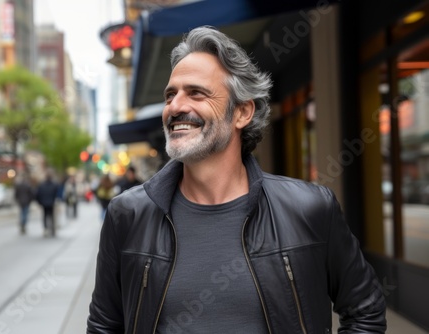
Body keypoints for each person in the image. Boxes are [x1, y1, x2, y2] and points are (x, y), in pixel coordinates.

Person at [87, 26, 386, 333]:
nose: (175, 107)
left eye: (196, 92)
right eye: (170, 95)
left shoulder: (309, 209)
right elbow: (104, 326)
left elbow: (366, 311)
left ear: (242, 112)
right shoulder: (128, 214)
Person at [35, 172, 59, 237]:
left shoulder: (42, 185)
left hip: (44, 203)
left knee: (45, 216)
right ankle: (52, 229)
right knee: (52, 216)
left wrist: (39, 202)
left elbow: (37, 194)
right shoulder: (54, 184)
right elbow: (57, 194)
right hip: (51, 203)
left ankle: (46, 228)